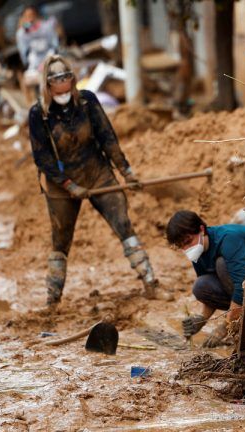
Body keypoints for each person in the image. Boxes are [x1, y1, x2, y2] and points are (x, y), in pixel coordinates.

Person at [28, 55, 166, 306]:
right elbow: (42, 158)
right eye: (57, 79)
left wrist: (126, 171)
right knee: (60, 240)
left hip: (97, 173)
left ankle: (150, 282)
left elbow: (107, 137)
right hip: (61, 183)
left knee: (123, 223)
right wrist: (70, 185)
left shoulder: (88, 101)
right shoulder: (40, 113)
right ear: (47, 84)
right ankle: (53, 300)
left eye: (67, 76)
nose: (64, 82)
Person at [166, 210, 245, 347]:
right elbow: (211, 287)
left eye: (188, 241)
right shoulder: (196, 254)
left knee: (222, 265)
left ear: (201, 229)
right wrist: (202, 319)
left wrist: (225, 326)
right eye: (181, 246)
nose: (187, 249)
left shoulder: (228, 238)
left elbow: (243, 284)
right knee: (201, 286)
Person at [16, 5, 60, 102]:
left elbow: (54, 46)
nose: (30, 18)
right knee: (36, 83)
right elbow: (25, 55)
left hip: (50, 60)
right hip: (34, 65)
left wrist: (48, 61)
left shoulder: (46, 28)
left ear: (36, 15)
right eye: (27, 16)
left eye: (31, 15)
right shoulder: (22, 33)